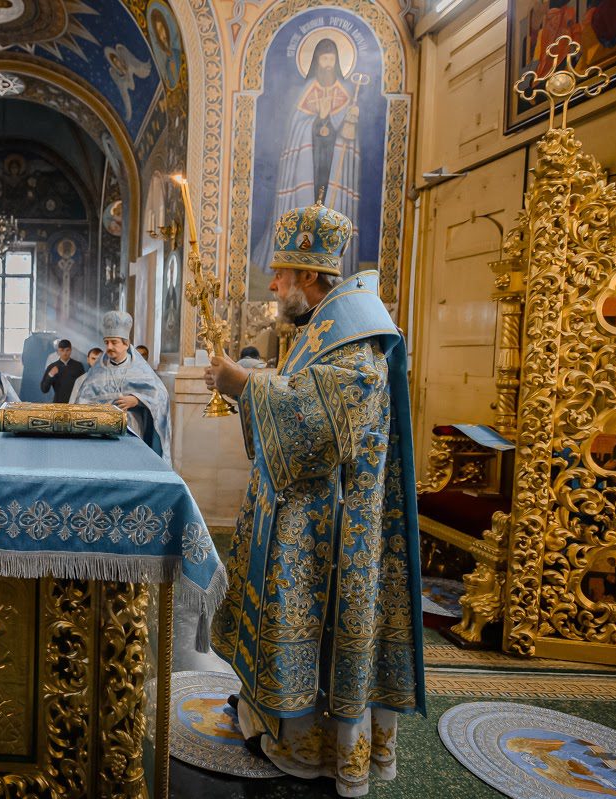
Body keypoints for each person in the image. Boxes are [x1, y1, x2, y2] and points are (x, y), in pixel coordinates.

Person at [204, 200, 423, 797]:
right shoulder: (323, 326)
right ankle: (267, 720)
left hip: (331, 532)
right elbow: (303, 391)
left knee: (313, 627)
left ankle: (314, 747)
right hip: (300, 516)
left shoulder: (356, 334)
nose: (273, 286)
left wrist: (243, 385)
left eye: (280, 274)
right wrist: (255, 383)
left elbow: (324, 421)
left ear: (307, 274)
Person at [253, 37, 362, 279]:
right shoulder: (306, 92)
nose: (327, 64)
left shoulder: (346, 94)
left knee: (329, 210)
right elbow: (297, 129)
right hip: (307, 163)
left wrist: (350, 119)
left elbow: (348, 137)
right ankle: (297, 259)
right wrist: (318, 119)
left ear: (337, 62)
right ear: (316, 62)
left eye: (331, 59)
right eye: (324, 59)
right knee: (307, 210)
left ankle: (331, 264)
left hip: (332, 163)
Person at [72, 311, 172, 459]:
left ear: (126, 343)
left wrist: (137, 400)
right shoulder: (96, 373)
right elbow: (81, 404)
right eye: (106, 342)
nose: (109, 347)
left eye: (114, 342)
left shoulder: (141, 370)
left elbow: (161, 397)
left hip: (133, 433)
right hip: (102, 437)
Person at [39, 339, 85, 404]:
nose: (65, 353)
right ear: (58, 351)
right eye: (62, 350)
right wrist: (50, 375)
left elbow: (84, 387)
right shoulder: (52, 367)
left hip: (75, 403)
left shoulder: (78, 366)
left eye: (67, 350)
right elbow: (44, 389)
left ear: (71, 350)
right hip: (58, 404)